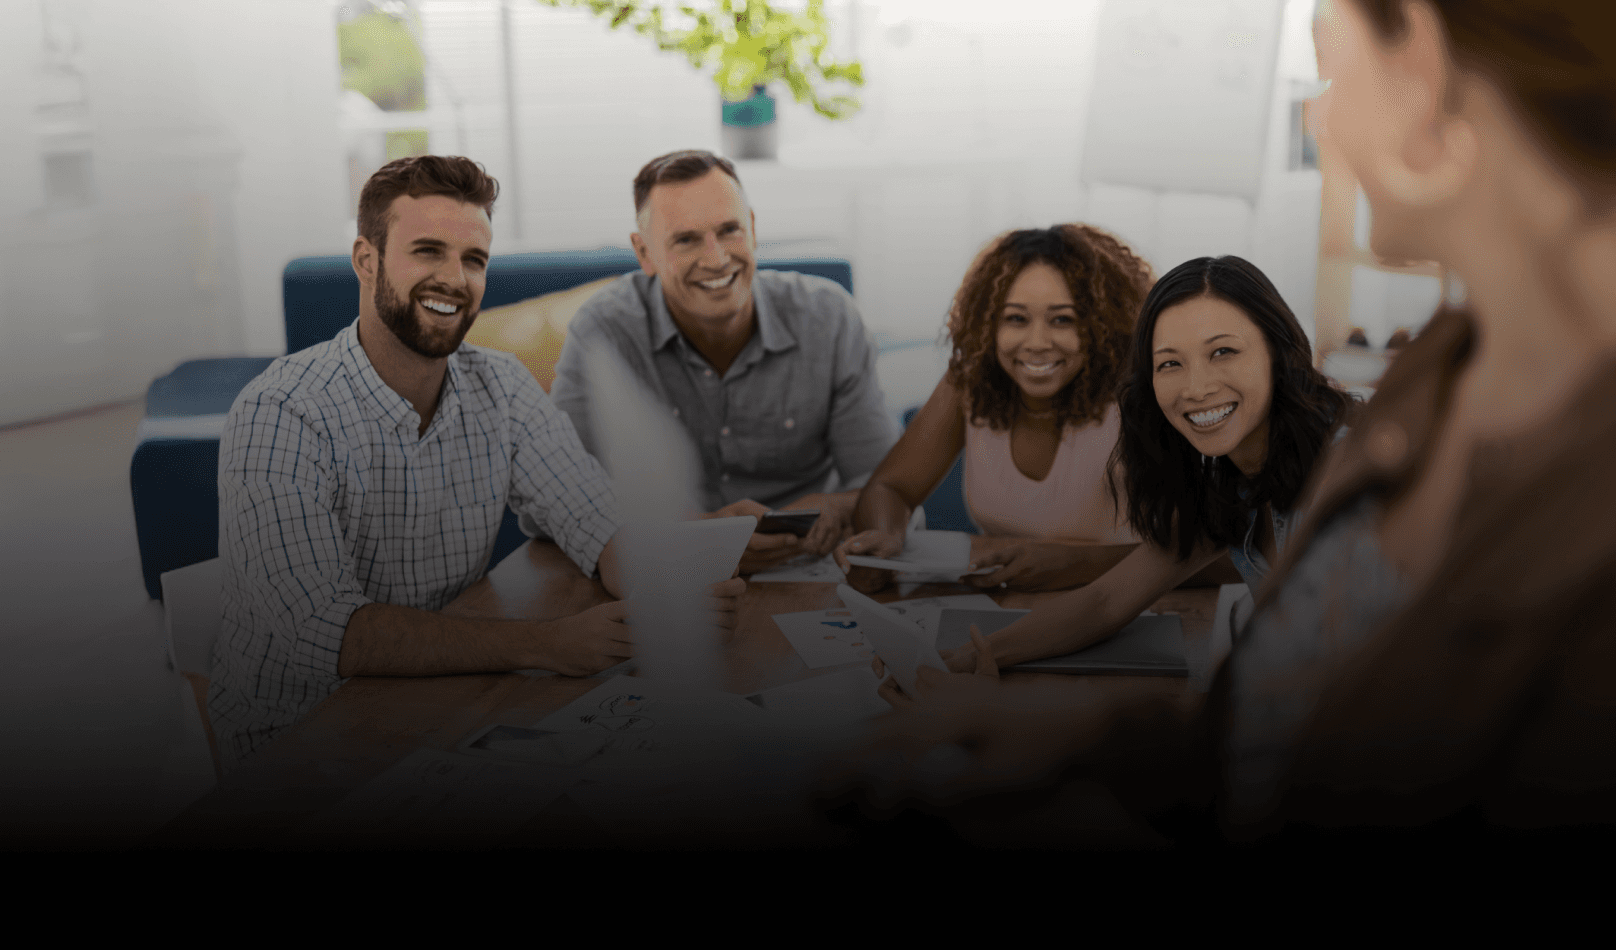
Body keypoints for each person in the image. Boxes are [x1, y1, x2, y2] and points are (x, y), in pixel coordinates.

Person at [824, 0, 1616, 839]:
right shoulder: (1436, 377)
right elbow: (1298, 719)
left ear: (1417, 59)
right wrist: (1083, 735)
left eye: (1328, 72)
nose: (1317, 115)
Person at [209, 156, 741, 769]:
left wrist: (667, 593)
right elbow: (327, 630)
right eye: (428, 252)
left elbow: (595, 518)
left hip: (442, 707)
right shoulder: (280, 411)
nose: (454, 280)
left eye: (473, 260)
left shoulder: (502, 386)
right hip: (299, 743)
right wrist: (547, 645)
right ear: (366, 260)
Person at [895, 255, 1352, 676]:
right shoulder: (1229, 477)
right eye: (1170, 363)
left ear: (1278, 350)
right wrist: (972, 658)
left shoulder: (1347, 469)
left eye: (1223, 352)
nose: (1195, 387)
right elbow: (1105, 602)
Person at [551, 150, 899, 574]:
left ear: (752, 228)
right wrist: (703, 535)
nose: (716, 259)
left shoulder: (829, 319)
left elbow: (889, 487)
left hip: (809, 571)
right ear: (644, 253)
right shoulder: (602, 332)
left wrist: (833, 507)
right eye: (686, 239)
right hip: (666, 575)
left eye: (729, 230)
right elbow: (561, 499)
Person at [835, 225, 1153, 595]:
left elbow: (1216, 558)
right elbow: (890, 487)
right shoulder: (970, 382)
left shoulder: (1141, 394)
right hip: (1002, 609)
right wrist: (885, 537)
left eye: (1063, 319)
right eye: (1016, 319)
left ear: (1103, 325)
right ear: (988, 324)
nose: (1036, 343)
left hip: (1130, 611)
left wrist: (1076, 564)